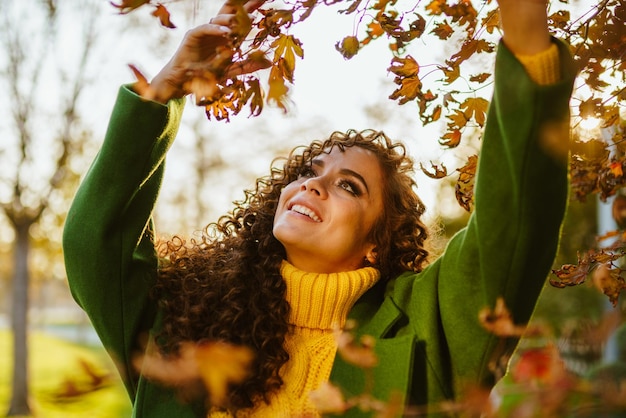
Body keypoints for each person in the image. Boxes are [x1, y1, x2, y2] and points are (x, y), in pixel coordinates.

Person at [63, 0, 576, 416]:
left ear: (379, 242)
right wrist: (165, 90)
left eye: (349, 186)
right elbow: (96, 248)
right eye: (310, 173)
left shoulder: (429, 326)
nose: (313, 185)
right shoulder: (192, 324)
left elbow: (516, 226)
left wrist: (529, 39)